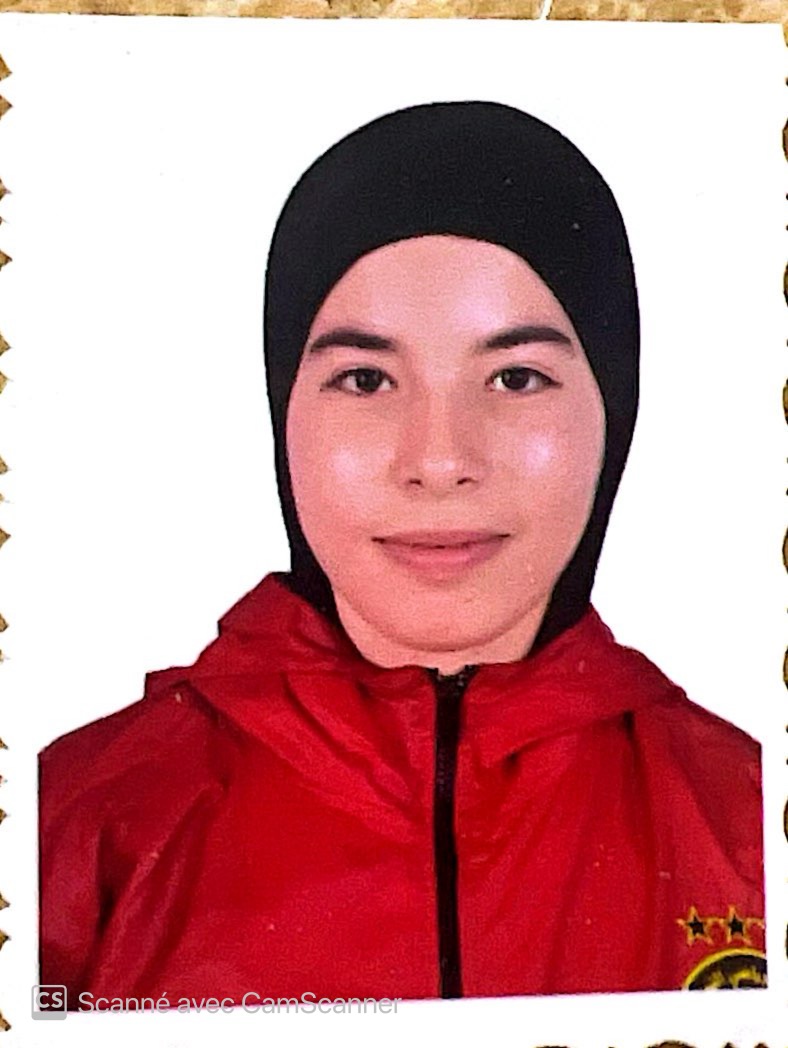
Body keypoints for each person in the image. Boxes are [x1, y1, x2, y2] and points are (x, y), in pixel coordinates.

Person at [39, 102, 765, 1007]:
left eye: (516, 377)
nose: (440, 461)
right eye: (366, 378)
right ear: (283, 417)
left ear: (614, 413)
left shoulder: (747, 818)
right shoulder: (69, 826)